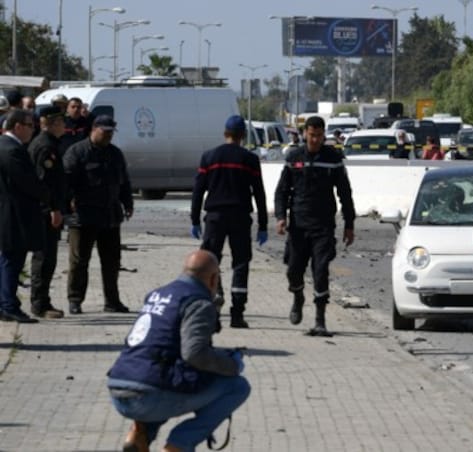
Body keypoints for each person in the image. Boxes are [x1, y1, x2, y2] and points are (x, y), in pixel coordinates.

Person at [107, 250, 250, 452]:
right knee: (237, 386)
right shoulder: (198, 302)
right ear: (213, 279)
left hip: (119, 387)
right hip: (147, 395)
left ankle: (140, 433)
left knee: (168, 375)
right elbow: (194, 354)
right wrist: (232, 364)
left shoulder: (157, 294)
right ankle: (179, 445)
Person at [274, 115, 355, 337]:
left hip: (323, 226)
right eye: (312, 135)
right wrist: (281, 217)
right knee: (293, 271)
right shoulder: (293, 157)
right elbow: (282, 191)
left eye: (320, 135)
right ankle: (298, 296)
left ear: (324, 134)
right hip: (299, 225)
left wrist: (349, 224)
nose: (316, 140)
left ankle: (320, 320)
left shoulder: (333, 158)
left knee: (320, 271)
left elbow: (345, 193)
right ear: (305, 134)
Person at [190, 115, 268, 329]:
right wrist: (262, 225)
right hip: (240, 217)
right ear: (243, 135)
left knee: (210, 262)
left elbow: (198, 191)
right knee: (241, 263)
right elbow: (259, 193)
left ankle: (214, 306)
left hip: (215, 217)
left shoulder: (209, 157)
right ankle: (237, 314)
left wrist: (195, 219)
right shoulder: (250, 160)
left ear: (225, 133)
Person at [63, 115, 134, 315]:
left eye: (111, 132)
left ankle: (112, 301)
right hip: (83, 216)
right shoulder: (77, 152)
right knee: (79, 261)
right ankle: (75, 300)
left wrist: (128, 203)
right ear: (94, 129)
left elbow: (124, 182)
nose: (109, 136)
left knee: (111, 262)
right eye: (105, 131)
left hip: (110, 215)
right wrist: (69, 202)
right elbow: (65, 182)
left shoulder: (115, 154)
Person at [0, 110, 48, 323]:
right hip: (14, 214)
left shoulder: (9, 146)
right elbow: (26, 182)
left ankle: (6, 303)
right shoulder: (11, 150)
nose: (33, 129)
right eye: (30, 125)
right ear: (17, 126)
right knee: (12, 260)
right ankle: (9, 305)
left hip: (11, 212)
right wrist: (47, 194)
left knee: (8, 260)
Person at [27, 106, 67, 319]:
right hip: (45, 212)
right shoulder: (45, 147)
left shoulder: (50, 144)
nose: (64, 126)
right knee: (44, 259)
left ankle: (42, 300)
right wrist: (53, 209)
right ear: (51, 124)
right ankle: (40, 303)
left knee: (48, 258)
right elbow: (44, 183)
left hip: (48, 210)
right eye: (61, 122)